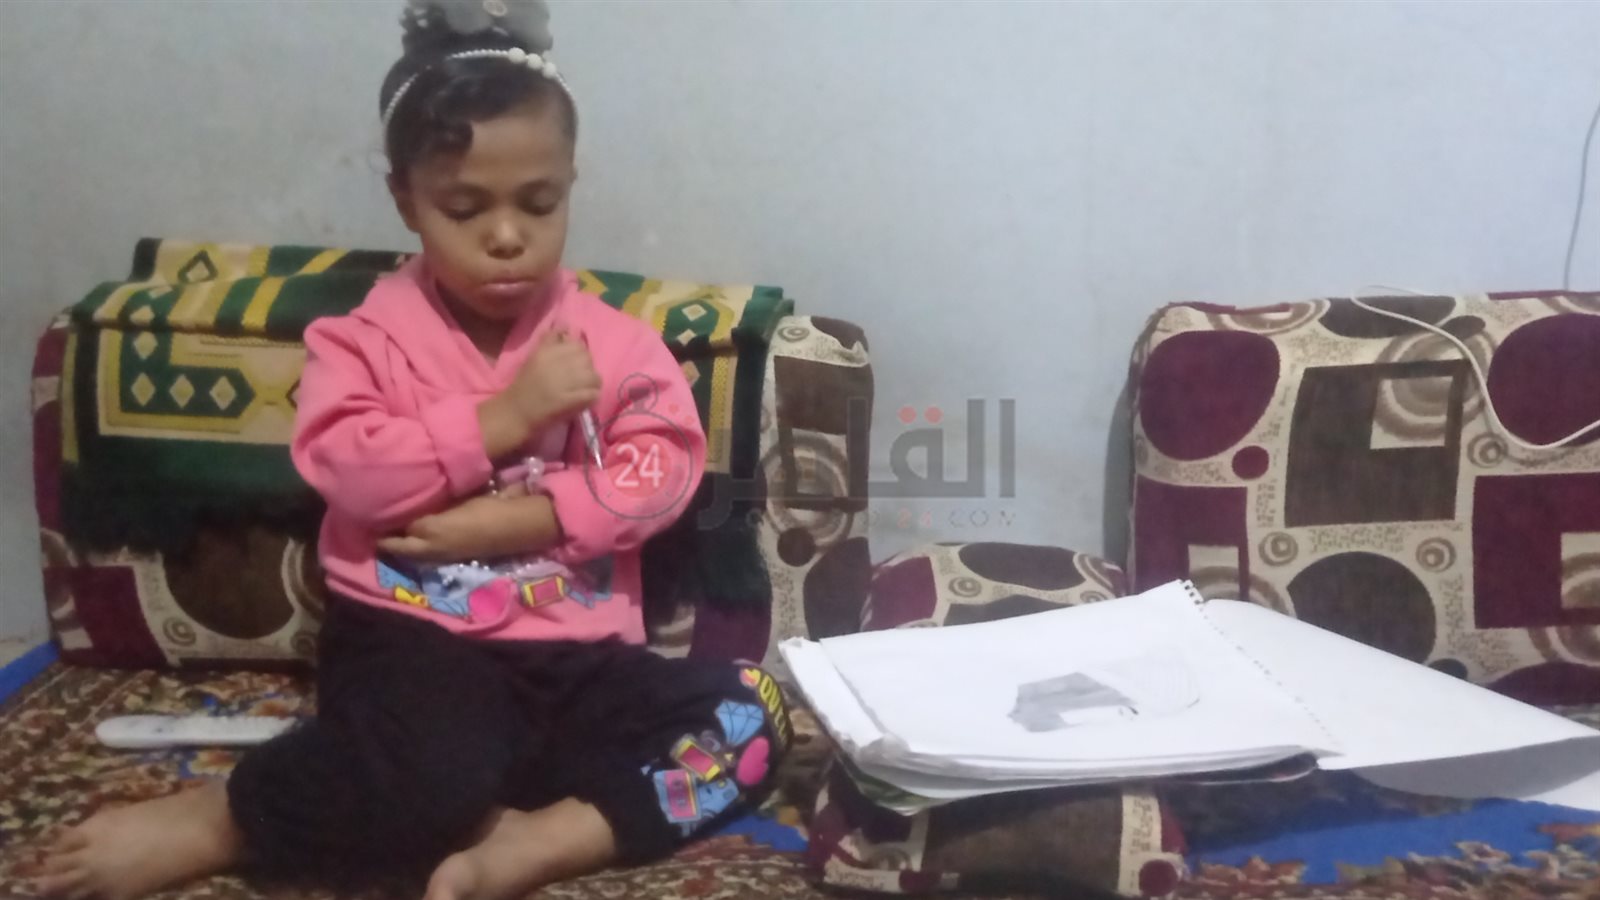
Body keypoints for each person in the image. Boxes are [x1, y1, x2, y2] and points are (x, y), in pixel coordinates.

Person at [37, 2, 787, 898]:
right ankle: (227, 819)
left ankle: (538, 843)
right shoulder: (362, 342)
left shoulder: (610, 344)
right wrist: (503, 418)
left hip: (582, 658)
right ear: (406, 199)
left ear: (569, 184)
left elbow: (664, 469)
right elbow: (352, 473)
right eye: (464, 208)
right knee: (431, 771)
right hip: (418, 646)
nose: (506, 235)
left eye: (539, 203)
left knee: (753, 716)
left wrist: (529, 518)